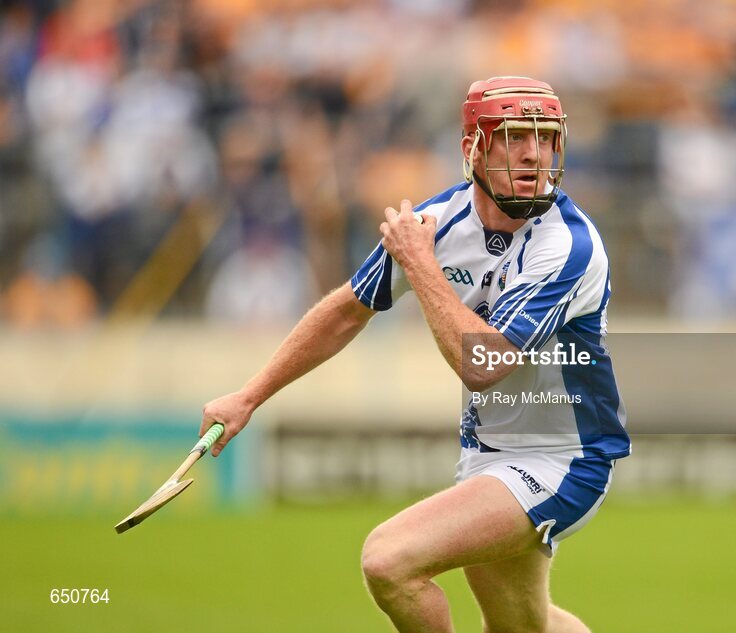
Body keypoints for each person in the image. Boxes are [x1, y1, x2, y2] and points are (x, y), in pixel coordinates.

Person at [200, 76, 630, 632]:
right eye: (514, 136)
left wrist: (422, 265)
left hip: (563, 457)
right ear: (472, 148)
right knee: (524, 628)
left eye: (546, 138)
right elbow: (346, 310)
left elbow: (484, 365)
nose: (533, 154)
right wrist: (248, 396)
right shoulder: (441, 220)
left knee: (389, 561)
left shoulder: (567, 244)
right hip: (489, 451)